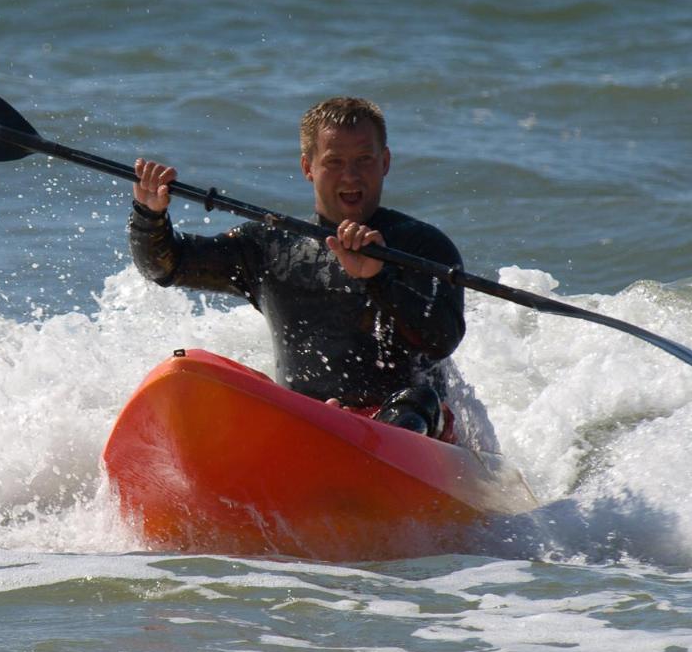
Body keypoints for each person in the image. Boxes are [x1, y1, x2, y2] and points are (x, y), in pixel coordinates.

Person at [128, 96, 465, 439]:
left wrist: (378, 278)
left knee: (420, 399)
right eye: (334, 161)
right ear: (308, 167)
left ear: (385, 162)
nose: (351, 175)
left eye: (364, 159)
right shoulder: (269, 246)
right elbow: (166, 266)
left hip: (408, 431)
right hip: (305, 423)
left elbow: (442, 340)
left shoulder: (423, 247)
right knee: (197, 369)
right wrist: (149, 214)